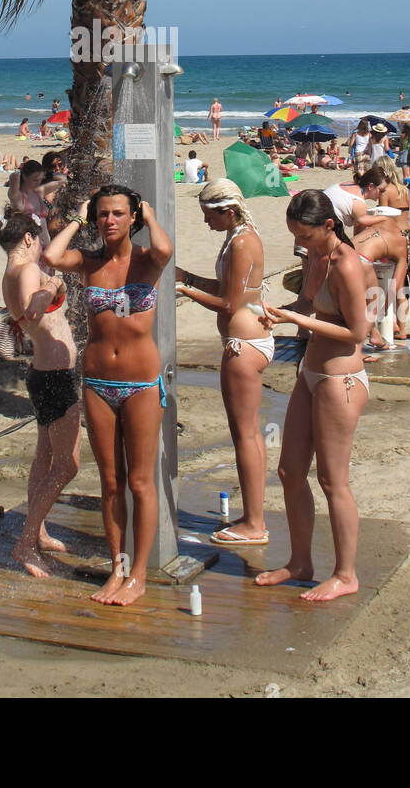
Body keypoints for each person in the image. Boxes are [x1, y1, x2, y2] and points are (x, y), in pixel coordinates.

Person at [43, 185, 173, 607]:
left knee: (140, 481)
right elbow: (50, 258)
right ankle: (117, 569)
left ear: (132, 217)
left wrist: (149, 215)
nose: (110, 220)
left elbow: (166, 249)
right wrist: (79, 218)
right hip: (97, 382)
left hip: (140, 384)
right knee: (110, 483)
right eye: (103, 214)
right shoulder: (90, 262)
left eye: (118, 213)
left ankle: (139, 575)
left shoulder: (147, 262)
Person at [255, 190, 371, 602]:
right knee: (289, 471)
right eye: (294, 236)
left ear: (328, 226)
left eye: (304, 236)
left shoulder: (349, 265)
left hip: (341, 379)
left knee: (332, 479)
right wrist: (279, 311)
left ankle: (346, 574)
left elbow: (358, 333)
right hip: (310, 372)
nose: (298, 244)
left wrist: (298, 319)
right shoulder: (315, 258)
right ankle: (300, 561)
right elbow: (308, 302)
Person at [176, 180, 270, 545]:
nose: (205, 222)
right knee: (251, 434)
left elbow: (230, 304)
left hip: (242, 343)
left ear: (228, 211)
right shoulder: (240, 236)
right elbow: (228, 288)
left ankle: (255, 524)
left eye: (208, 215)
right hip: (250, 339)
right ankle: (253, 516)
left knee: (244, 436)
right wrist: (189, 277)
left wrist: (187, 292)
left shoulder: (243, 242)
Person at [0, 212, 80, 578]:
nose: (43, 244)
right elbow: (32, 308)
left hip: (44, 372)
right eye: (39, 238)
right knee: (67, 465)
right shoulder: (27, 270)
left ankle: (38, 531)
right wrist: (55, 286)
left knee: (44, 457)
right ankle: (25, 542)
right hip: (54, 376)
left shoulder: (9, 273)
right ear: (28, 239)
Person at [7, 160, 51, 244]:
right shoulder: (17, 195)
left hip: (43, 245)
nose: (38, 183)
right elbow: (13, 177)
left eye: (40, 179)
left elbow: (61, 179)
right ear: (24, 177)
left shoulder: (36, 194)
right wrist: (19, 172)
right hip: (27, 245)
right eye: (35, 180)